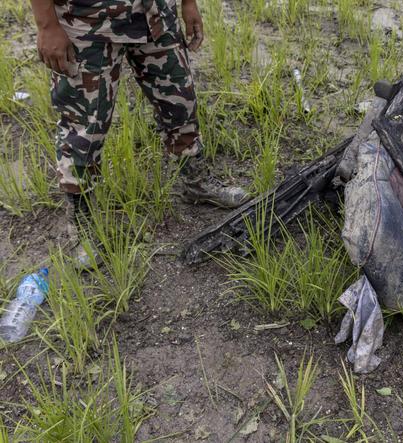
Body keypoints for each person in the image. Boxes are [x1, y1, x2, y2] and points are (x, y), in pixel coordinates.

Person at [29, 0, 249, 266]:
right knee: (84, 125)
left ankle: (196, 182)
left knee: (180, 100)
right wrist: (47, 24)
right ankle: (82, 223)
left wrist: (189, 3)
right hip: (86, 21)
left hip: (152, 12)